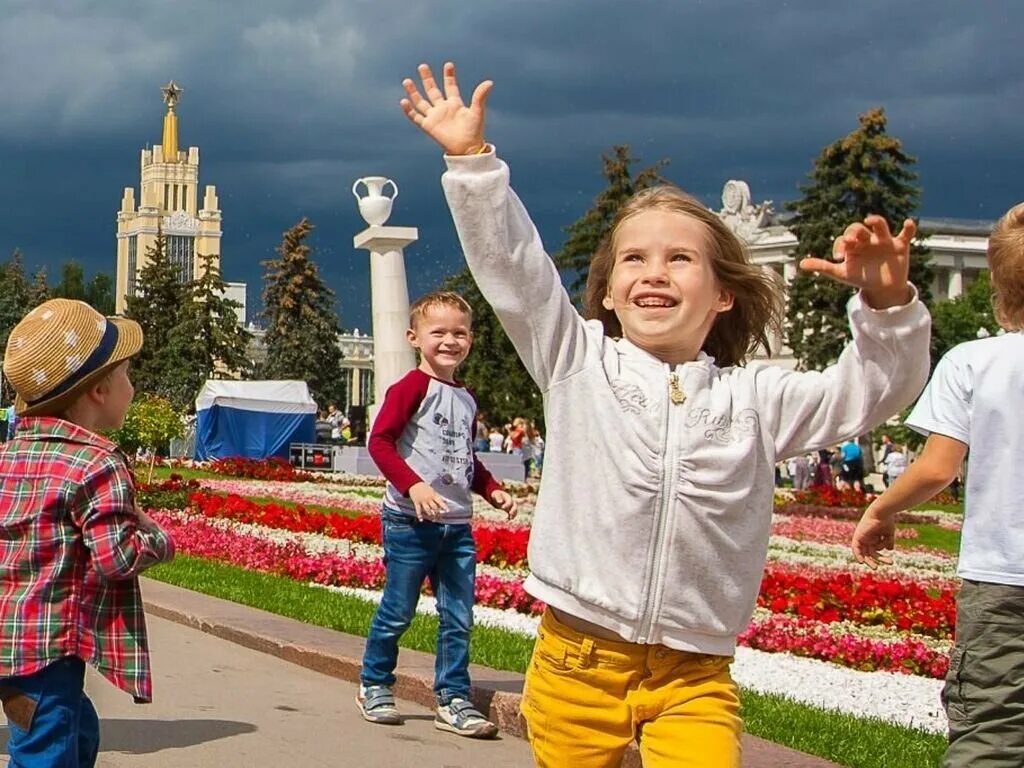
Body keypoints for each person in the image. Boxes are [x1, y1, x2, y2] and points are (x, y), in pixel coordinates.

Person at [399, 61, 931, 766]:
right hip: (576, 662)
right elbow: (515, 271)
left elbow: (867, 393)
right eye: (634, 260)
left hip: (694, 672)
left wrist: (888, 310)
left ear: (723, 295)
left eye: (681, 259)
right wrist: (471, 164)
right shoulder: (576, 360)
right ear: (609, 294)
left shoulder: (754, 399)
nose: (654, 272)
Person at [852, 202, 1024, 767]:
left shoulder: (974, 362)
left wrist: (881, 510)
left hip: (1004, 578)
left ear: (1000, 287)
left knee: (992, 731)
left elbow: (936, 468)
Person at [0, 298, 176, 767]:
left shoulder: (10, 454)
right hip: (49, 649)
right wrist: (157, 537)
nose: (132, 387)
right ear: (99, 389)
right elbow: (115, 557)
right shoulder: (98, 464)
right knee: (46, 749)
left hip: (11, 639)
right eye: (126, 375)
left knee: (75, 729)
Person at [358, 290, 518, 739]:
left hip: (456, 527)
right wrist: (414, 485)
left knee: (458, 616)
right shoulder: (410, 387)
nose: (450, 340)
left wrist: (492, 490)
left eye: (459, 332)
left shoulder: (466, 398)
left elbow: (466, 458)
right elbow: (381, 443)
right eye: (439, 332)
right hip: (410, 522)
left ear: (470, 339)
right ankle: (374, 683)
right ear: (414, 337)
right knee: (397, 610)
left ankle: (452, 697)